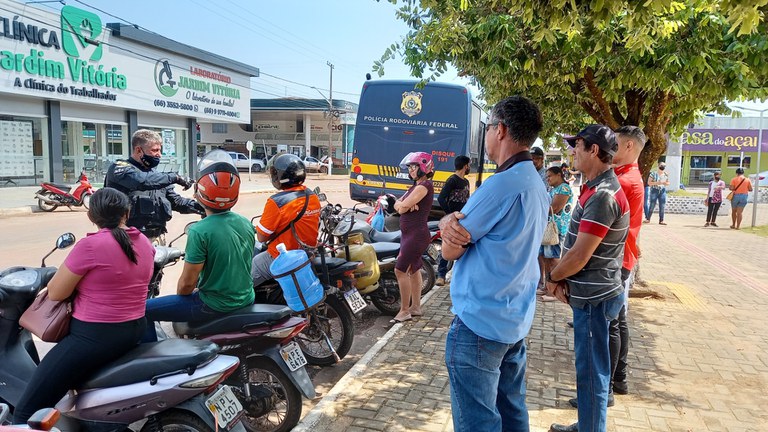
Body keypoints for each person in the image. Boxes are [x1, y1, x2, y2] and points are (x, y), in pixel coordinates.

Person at [439, 96, 549, 431]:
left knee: (479, 420)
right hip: (513, 318)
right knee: (513, 411)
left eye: (487, 127)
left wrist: (446, 225)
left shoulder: (500, 186)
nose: (486, 135)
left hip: (479, 325)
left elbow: (450, 251)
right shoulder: (537, 183)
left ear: (499, 130)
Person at [14, 188, 153, 423]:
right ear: (127, 214)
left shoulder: (90, 246)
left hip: (94, 337)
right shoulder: (144, 242)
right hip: (135, 328)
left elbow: (57, 293)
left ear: (92, 216)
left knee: (26, 411)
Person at [548, 125, 629, 432]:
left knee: (593, 373)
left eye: (577, 146)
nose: (573, 151)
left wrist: (553, 278)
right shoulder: (595, 188)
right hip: (592, 295)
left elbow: (580, 255)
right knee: (588, 370)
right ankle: (587, 425)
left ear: (594, 150)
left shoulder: (603, 196)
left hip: (595, 299)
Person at [143, 150, 255, 341]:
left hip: (214, 305)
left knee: (143, 310)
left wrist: (184, 297)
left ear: (200, 192)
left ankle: (151, 359)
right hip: (246, 298)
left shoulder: (199, 230)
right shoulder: (245, 223)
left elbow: (187, 284)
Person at [104, 129, 203, 242]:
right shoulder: (120, 168)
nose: (159, 155)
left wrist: (204, 208)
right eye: (154, 150)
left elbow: (177, 202)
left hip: (156, 238)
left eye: (160, 150)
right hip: (127, 239)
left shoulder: (157, 177)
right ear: (138, 150)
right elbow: (141, 181)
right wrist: (175, 177)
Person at [252, 154, 321, 287]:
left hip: (283, 256)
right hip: (308, 252)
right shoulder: (311, 196)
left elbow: (261, 237)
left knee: (250, 272)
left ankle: (239, 301)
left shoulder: (277, 202)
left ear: (280, 176)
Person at [391, 152, 435, 323]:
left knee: (400, 270)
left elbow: (402, 206)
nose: (410, 170)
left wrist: (403, 206)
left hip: (416, 235)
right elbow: (398, 205)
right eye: (409, 167)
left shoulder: (423, 186)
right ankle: (415, 307)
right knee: (414, 269)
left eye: (413, 167)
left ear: (423, 167)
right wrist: (402, 205)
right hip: (411, 234)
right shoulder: (416, 187)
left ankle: (404, 311)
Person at [435, 155, 471, 286]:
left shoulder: (466, 182)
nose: (470, 167)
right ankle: (441, 275)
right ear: (465, 165)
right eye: (469, 165)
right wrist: (450, 214)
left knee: (463, 246)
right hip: (452, 219)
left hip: (463, 220)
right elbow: (441, 198)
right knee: (447, 244)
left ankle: (459, 276)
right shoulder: (452, 180)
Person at [540, 166, 573, 302]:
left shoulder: (564, 189)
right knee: (546, 257)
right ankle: (548, 286)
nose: (548, 179)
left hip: (557, 229)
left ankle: (554, 289)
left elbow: (555, 208)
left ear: (559, 175)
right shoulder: (554, 189)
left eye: (550, 176)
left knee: (553, 258)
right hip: (549, 229)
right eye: (546, 177)